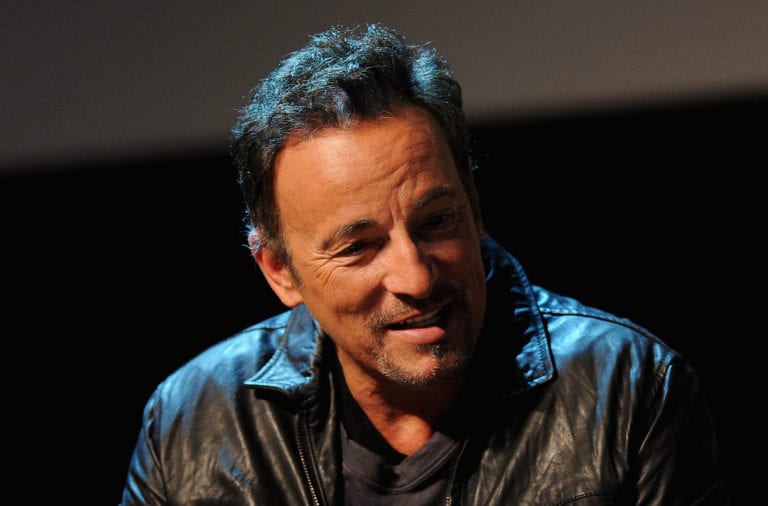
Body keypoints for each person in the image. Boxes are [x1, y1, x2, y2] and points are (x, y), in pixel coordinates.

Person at [120, 23, 729, 505]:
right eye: (358, 247)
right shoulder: (191, 422)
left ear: (475, 207)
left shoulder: (630, 389)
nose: (416, 278)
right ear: (279, 271)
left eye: (436, 222)